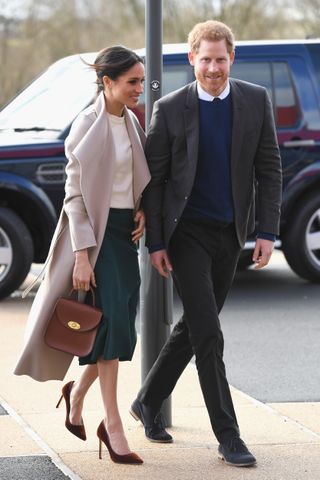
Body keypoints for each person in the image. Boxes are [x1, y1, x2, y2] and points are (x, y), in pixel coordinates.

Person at [130, 20, 282, 467]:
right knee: (209, 334)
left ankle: (147, 400)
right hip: (187, 233)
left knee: (194, 327)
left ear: (231, 58)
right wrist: (156, 242)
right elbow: (154, 182)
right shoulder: (171, 108)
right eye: (205, 59)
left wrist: (267, 232)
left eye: (220, 59)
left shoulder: (255, 100)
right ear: (191, 58)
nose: (213, 68)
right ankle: (228, 435)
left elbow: (269, 168)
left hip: (230, 234)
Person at [14, 45, 151, 465]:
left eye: (142, 82)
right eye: (132, 82)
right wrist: (82, 255)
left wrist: (142, 208)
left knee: (118, 329)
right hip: (96, 237)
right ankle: (112, 425)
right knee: (109, 332)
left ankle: (75, 394)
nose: (139, 90)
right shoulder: (86, 126)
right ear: (107, 82)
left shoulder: (131, 122)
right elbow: (75, 197)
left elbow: (135, 179)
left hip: (127, 235)